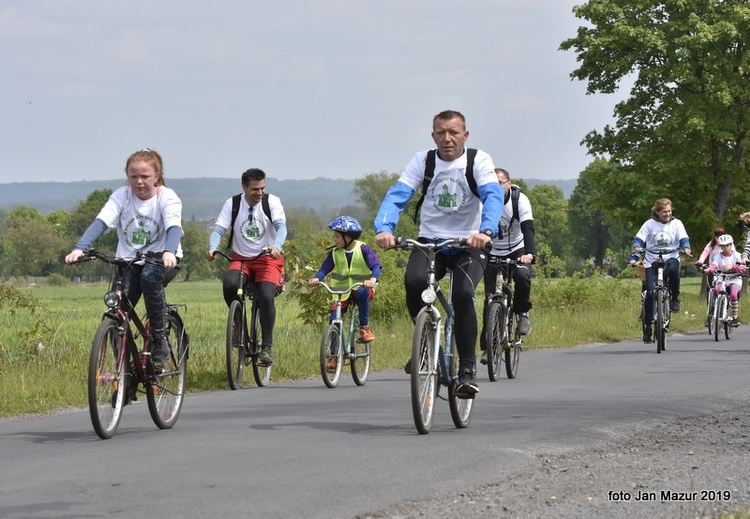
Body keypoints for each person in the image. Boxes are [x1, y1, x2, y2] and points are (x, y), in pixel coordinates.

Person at [374, 109, 504, 398]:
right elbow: (397, 195)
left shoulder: (478, 161)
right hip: (431, 241)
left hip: (471, 244)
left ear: (465, 135)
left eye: (453, 133)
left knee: (461, 294)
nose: (447, 138)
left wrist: (485, 231)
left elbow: (492, 196)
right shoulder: (422, 161)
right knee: (414, 283)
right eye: (441, 133)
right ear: (433, 135)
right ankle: (426, 343)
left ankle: (467, 370)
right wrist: (384, 227)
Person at [65, 148, 183, 368]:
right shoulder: (121, 195)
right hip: (129, 261)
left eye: (145, 176)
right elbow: (101, 221)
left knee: (149, 278)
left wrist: (170, 250)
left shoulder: (167, 197)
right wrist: (80, 248)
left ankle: (159, 340)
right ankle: (125, 372)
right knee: (116, 310)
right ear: (127, 176)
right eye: (133, 176)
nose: (139, 181)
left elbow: (174, 226)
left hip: (161, 259)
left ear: (156, 177)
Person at [206, 168, 287, 366]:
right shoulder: (233, 203)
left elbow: (281, 227)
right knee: (230, 285)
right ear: (244, 187)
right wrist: (212, 248)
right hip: (241, 258)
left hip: (267, 257)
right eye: (255, 189)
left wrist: (276, 247)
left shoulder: (271, 202)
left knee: (266, 295)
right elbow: (219, 229)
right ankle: (238, 326)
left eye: (262, 188)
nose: (260, 193)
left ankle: (266, 346)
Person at [480, 168, 535, 363]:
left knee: (522, 277)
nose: (496, 187)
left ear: (509, 184)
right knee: (489, 300)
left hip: (517, 250)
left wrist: (529, 254)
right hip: (492, 251)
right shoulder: (483, 199)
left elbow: (528, 228)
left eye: (500, 183)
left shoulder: (519, 200)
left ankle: (522, 312)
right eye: (492, 183)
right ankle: (488, 347)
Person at [308, 216, 381, 349]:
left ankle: (364, 327)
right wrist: (317, 278)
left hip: (361, 288)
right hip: (340, 293)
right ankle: (333, 355)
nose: (333, 239)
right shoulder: (334, 253)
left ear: (347, 238)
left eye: (336, 236)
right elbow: (325, 268)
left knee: (362, 292)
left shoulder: (363, 249)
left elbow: (376, 266)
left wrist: (372, 280)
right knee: (334, 320)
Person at [629, 198, 691, 343]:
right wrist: (637, 247)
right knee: (650, 292)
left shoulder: (677, 223)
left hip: (671, 257)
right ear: (657, 212)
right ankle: (648, 326)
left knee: (675, 271)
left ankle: (675, 299)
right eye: (664, 212)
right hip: (652, 260)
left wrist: (686, 247)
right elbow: (639, 239)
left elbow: (683, 238)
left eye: (669, 211)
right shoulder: (649, 224)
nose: (668, 214)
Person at [695, 227, 733, 326]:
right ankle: (710, 314)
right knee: (712, 290)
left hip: (726, 271)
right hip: (713, 270)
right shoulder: (711, 245)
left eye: (720, 236)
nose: (718, 238)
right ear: (714, 237)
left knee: (728, 290)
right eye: (717, 236)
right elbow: (705, 253)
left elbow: (734, 256)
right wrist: (700, 261)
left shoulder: (728, 244)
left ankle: (726, 310)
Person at [705, 233, 746, 324]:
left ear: (731, 245)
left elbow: (742, 269)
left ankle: (734, 317)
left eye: (727, 245)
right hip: (723, 278)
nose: (725, 248)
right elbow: (714, 264)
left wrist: (733, 266)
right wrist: (709, 269)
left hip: (735, 279)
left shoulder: (737, 255)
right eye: (723, 246)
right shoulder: (718, 256)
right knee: (716, 290)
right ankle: (715, 307)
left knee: (734, 294)